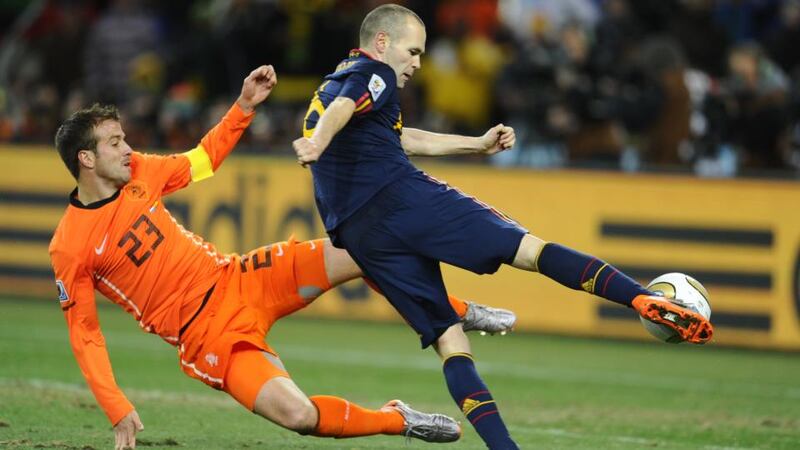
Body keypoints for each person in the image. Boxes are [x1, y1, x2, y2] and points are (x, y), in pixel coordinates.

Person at [292, 4, 714, 449]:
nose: (417, 63)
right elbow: (341, 110)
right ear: (382, 43)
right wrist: (317, 142)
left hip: (359, 232)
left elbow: (396, 135)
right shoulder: (371, 73)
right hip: (400, 198)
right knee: (529, 251)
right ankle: (643, 300)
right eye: (413, 51)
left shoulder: (340, 76)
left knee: (449, 339)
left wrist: (475, 144)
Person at [50, 64, 514, 450]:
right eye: (114, 143)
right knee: (299, 415)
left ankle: (457, 312)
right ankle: (398, 419)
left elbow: (204, 159)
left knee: (364, 246)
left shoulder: (141, 172)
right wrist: (117, 407)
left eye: (124, 138)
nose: (128, 148)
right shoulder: (70, 244)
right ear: (86, 160)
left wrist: (244, 106)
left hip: (240, 277)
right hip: (209, 336)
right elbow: (85, 335)